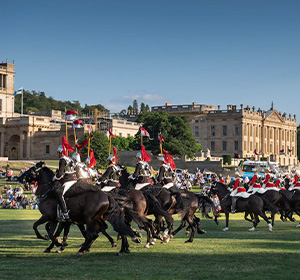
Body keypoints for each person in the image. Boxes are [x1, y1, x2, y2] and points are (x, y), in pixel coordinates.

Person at [52, 145, 77, 221]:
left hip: (68, 180)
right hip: (75, 179)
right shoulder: (70, 159)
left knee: (60, 194)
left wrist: (55, 177)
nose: (59, 154)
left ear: (61, 152)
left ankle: (65, 213)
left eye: (59, 153)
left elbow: (60, 173)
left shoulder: (63, 160)